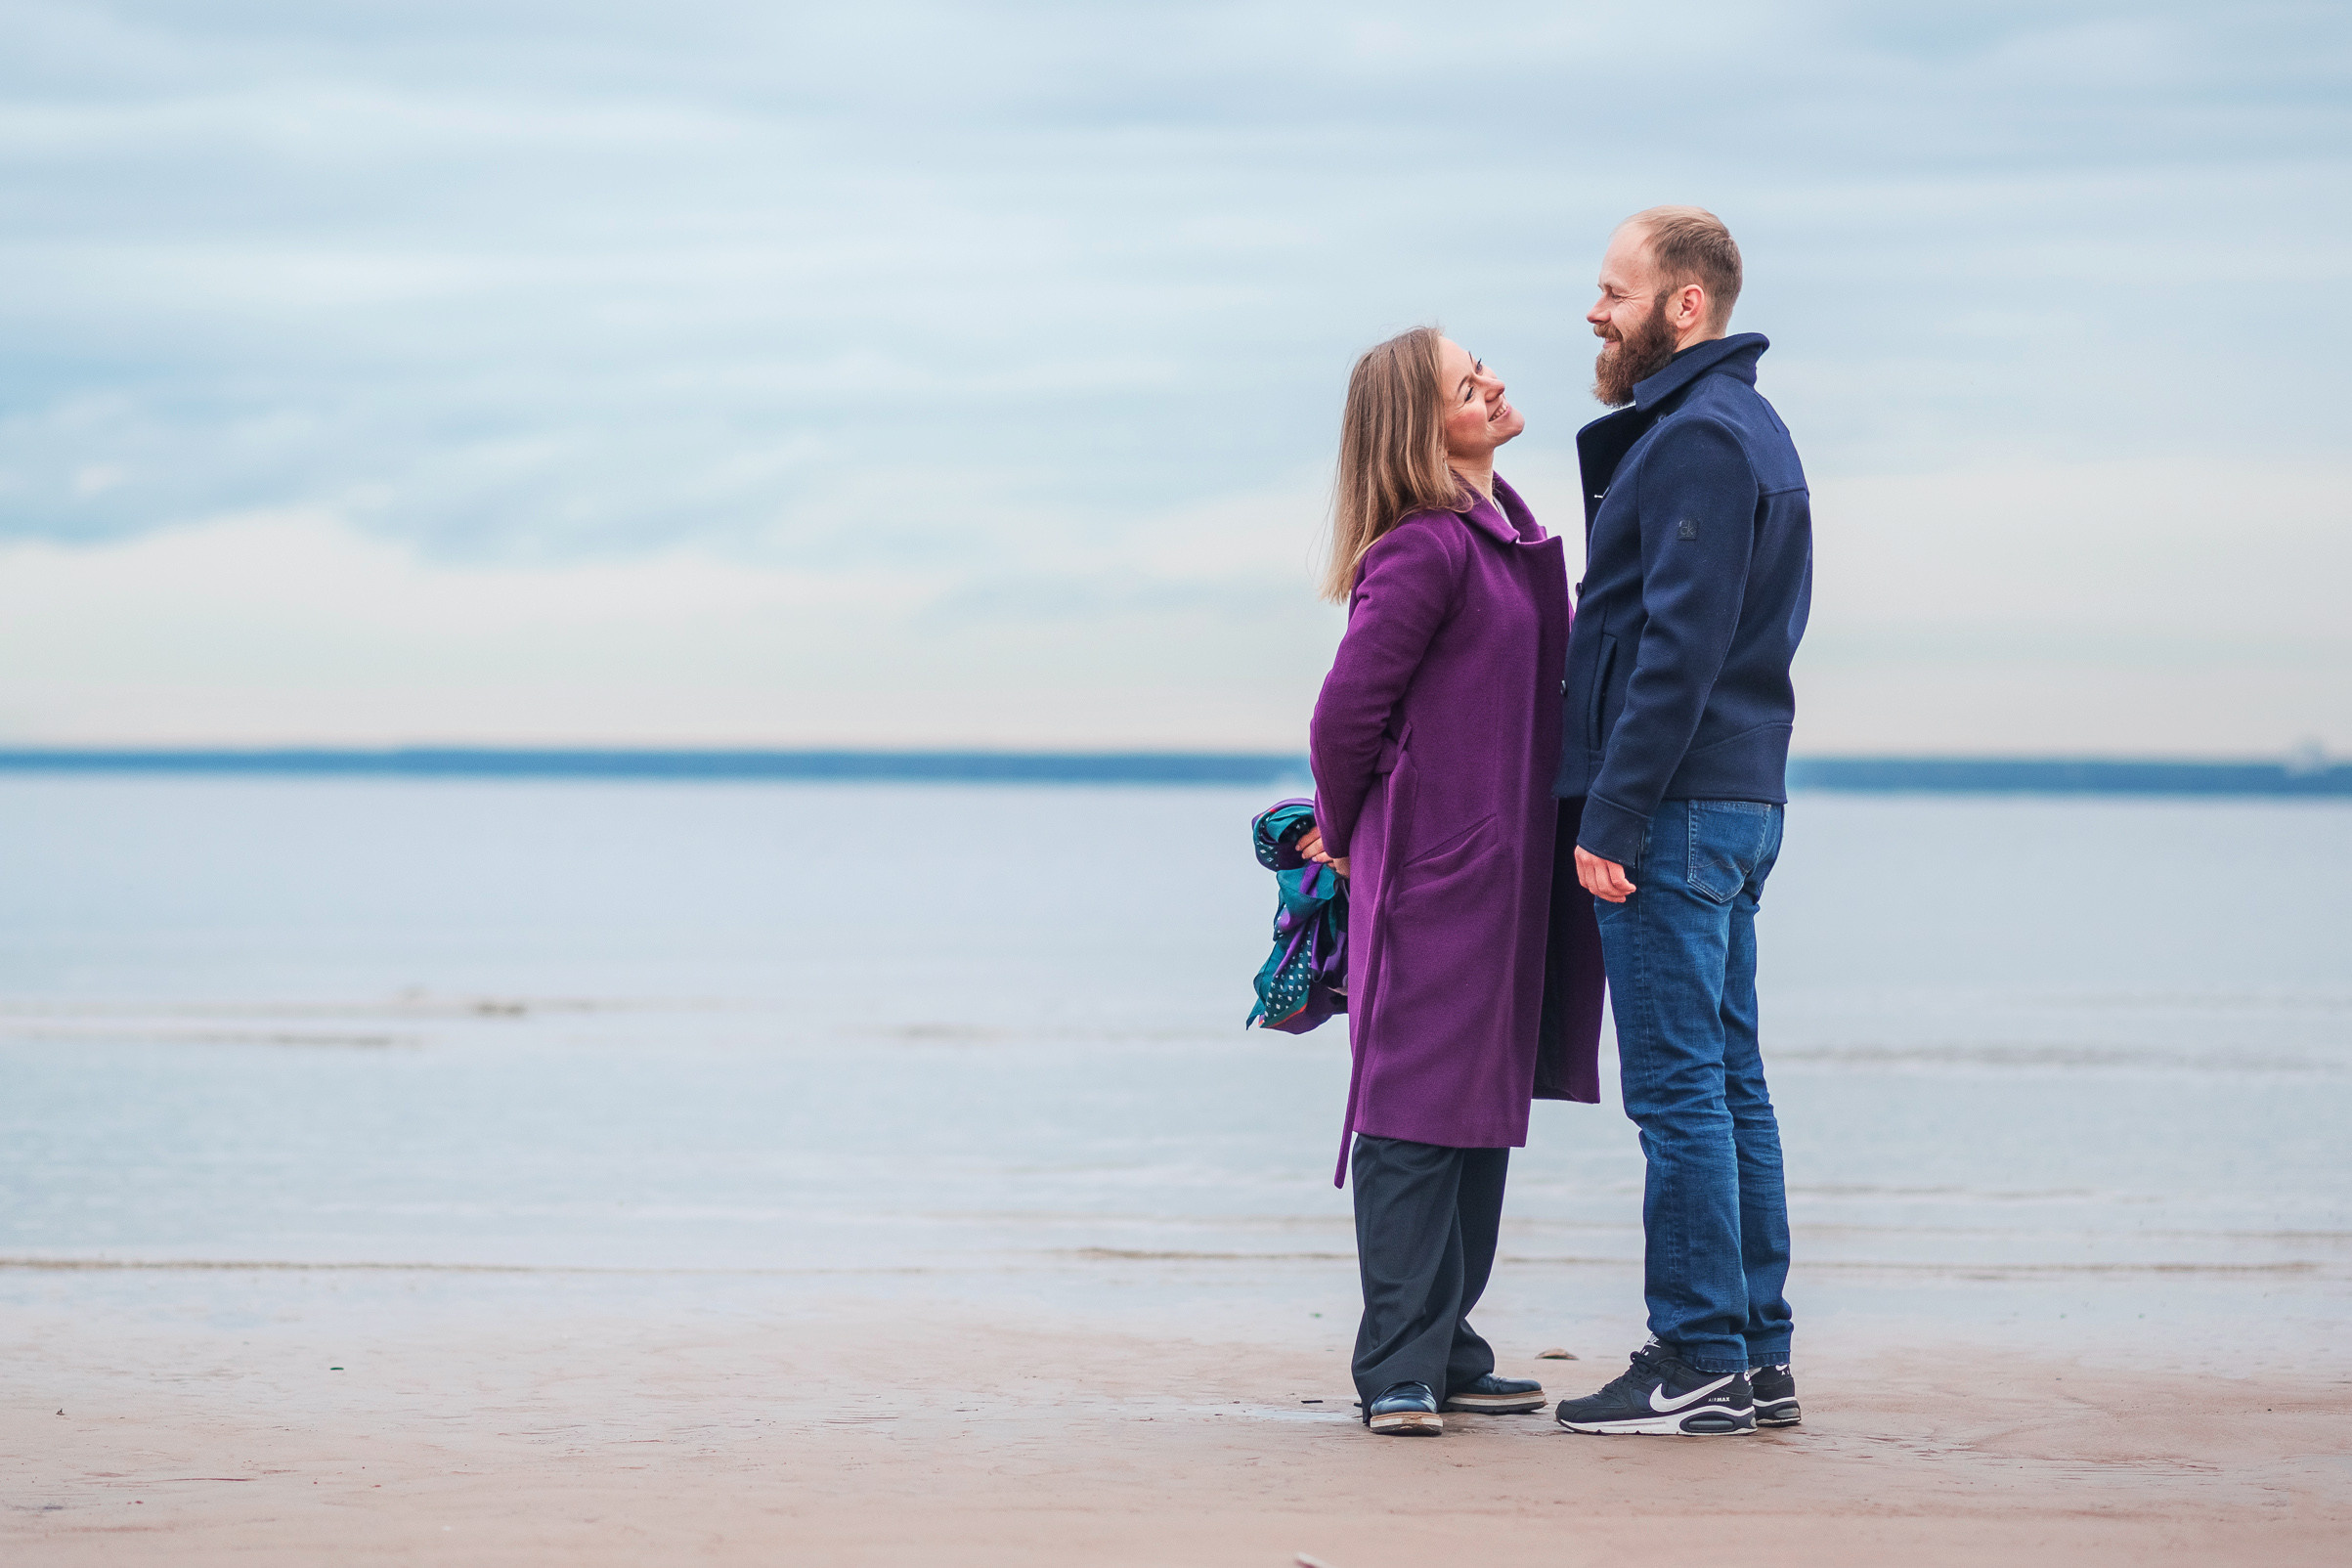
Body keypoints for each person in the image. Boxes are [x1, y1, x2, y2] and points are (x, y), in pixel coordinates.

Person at [1295, 327, 1607, 1437]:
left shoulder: (1507, 530)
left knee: (1480, 1105)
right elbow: (1343, 717)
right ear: (1420, 429)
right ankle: (1397, 1365)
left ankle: (1450, 1342)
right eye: (1467, 384)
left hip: (1509, 868)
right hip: (1432, 869)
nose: (1494, 383)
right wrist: (1349, 829)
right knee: (1412, 1108)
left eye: (1481, 370)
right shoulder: (1423, 547)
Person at [1548, 207, 1812, 1436]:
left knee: (1680, 1093)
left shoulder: (1701, 434)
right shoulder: (1745, 425)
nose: (1595, 311)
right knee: (1729, 1081)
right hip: (1734, 797)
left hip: (1679, 804)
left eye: (1615, 291)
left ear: (1685, 303)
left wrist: (1614, 808)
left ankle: (1699, 1353)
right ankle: (1755, 1356)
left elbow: (1681, 645)